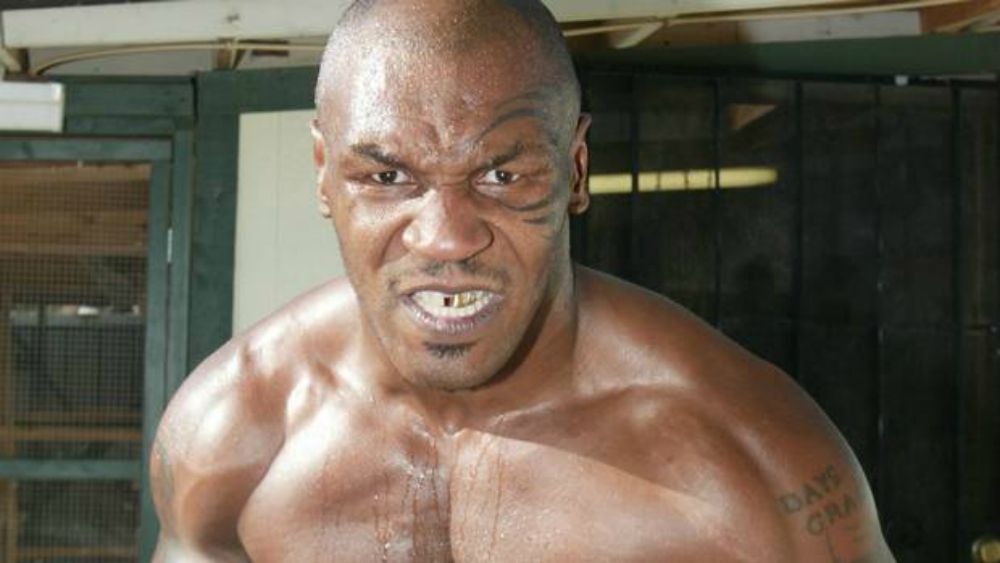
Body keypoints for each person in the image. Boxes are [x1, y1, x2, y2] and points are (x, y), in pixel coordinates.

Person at [151, 0, 896, 561]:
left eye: (502, 175)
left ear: (574, 169)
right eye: (387, 177)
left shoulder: (753, 457)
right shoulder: (232, 432)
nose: (446, 238)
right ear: (324, 172)